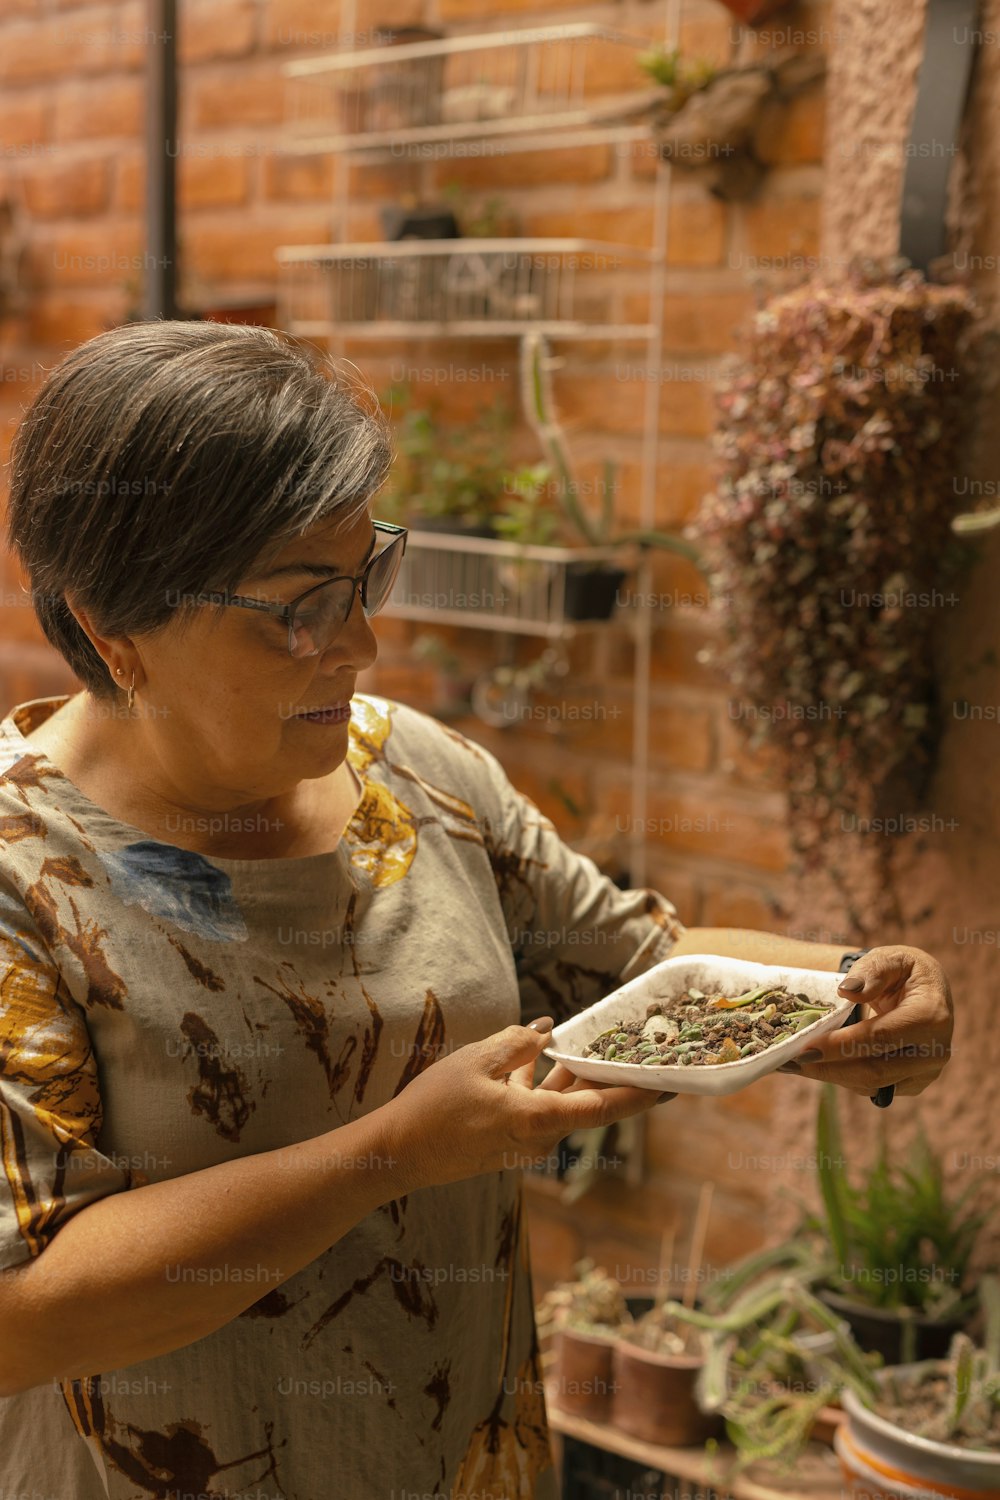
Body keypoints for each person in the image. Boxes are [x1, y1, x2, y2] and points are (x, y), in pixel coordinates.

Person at [0, 322, 953, 1500]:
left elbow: (643, 966)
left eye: (366, 577)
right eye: (298, 608)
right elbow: (20, 1318)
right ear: (113, 631)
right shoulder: (22, 874)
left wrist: (841, 986)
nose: (361, 641)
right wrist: (389, 1155)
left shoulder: (416, 774)